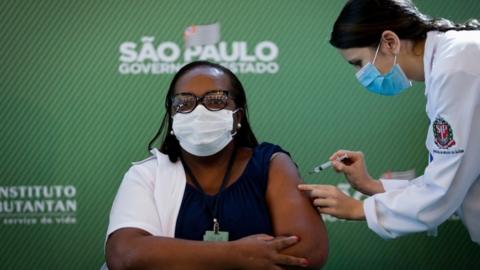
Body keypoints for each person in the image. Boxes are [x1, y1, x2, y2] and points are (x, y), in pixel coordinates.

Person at [105, 60, 328, 269]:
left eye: (215, 100)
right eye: (184, 103)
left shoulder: (270, 164)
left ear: (237, 116)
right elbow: (124, 256)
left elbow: (305, 252)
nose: (199, 112)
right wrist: (239, 254)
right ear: (172, 115)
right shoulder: (147, 174)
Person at [299, 0, 480, 243]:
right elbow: (446, 178)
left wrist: (358, 209)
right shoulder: (452, 61)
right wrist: (371, 185)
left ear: (390, 42)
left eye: (358, 63)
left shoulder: (457, 67)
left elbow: (443, 191)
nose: (360, 75)